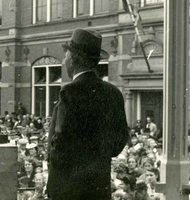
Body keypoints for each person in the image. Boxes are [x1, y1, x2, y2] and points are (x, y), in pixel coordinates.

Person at [47, 28, 129, 200]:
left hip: (68, 191)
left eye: (66, 56)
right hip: (99, 189)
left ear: (73, 59)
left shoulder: (70, 93)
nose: (64, 60)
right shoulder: (114, 93)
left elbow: (59, 147)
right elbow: (118, 143)